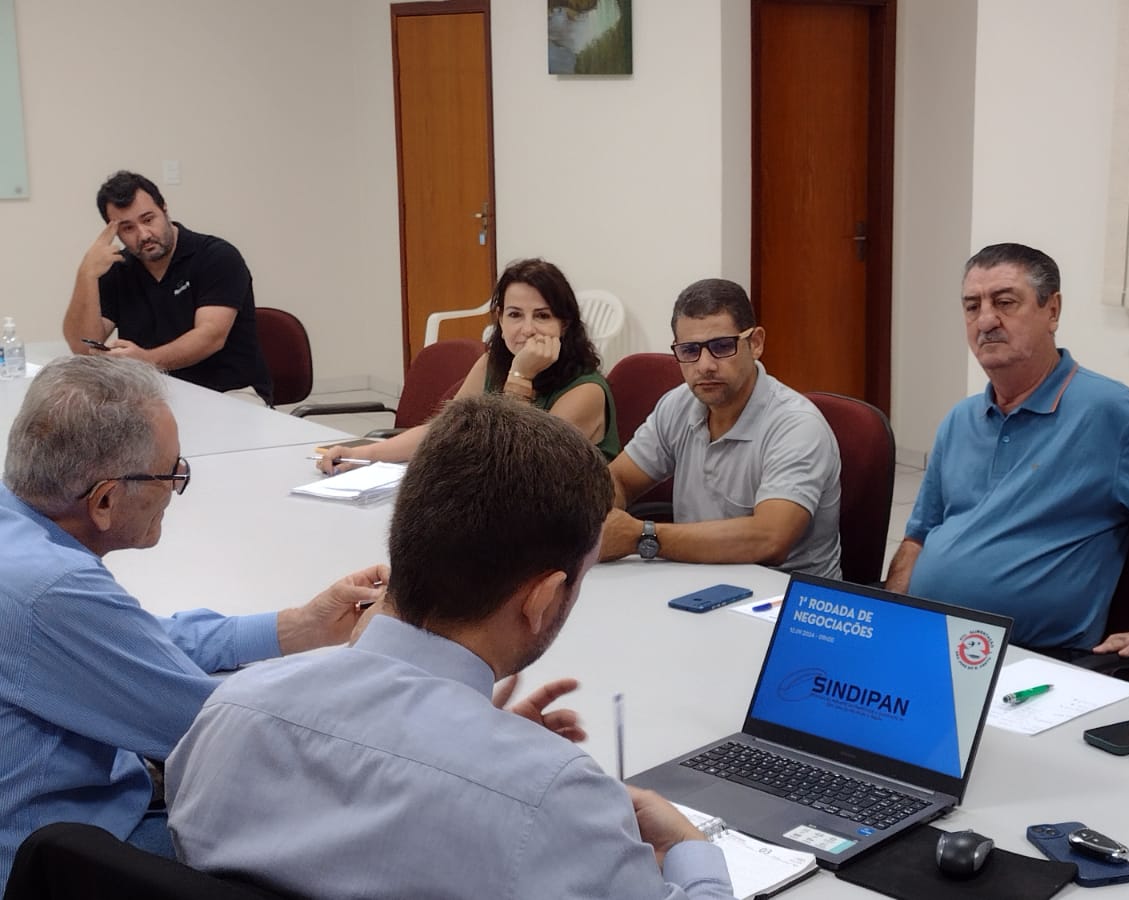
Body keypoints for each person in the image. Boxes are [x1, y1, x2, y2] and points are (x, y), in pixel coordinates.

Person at [167, 394, 734, 899]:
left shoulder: (230, 714)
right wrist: (691, 849)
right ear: (542, 598)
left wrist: (478, 743)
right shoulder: (552, 804)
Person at [0, 356, 383, 884]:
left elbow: (136, 640)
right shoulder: (53, 591)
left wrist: (297, 627)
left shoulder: (20, 536)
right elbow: (222, 731)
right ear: (105, 500)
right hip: (47, 861)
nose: (177, 485)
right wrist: (374, 673)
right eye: (171, 472)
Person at [885, 243, 1129, 663]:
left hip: (1031, 662)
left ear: (1052, 311)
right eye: (972, 306)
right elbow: (918, 538)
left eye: (1005, 302)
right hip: (928, 643)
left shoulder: (1111, 414)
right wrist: (889, 622)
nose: (986, 320)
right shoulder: (960, 419)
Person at [599, 278, 842, 577]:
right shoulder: (679, 404)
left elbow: (770, 538)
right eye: (689, 350)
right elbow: (620, 479)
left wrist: (642, 536)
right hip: (698, 578)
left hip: (784, 593)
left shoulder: (797, 426)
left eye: (722, 346)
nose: (705, 365)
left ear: (755, 343)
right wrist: (601, 516)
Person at [317, 257, 620, 470]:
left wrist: (520, 375)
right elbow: (445, 431)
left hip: (559, 522)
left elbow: (517, 464)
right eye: (515, 315)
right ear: (500, 319)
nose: (527, 329)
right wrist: (364, 455)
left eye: (542, 316)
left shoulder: (586, 390)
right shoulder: (491, 363)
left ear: (564, 325)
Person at [63, 170, 273, 403]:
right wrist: (86, 275)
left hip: (231, 392)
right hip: (153, 394)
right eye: (128, 228)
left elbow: (211, 336)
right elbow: (84, 347)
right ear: (113, 232)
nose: (144, 235)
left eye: (148, 219)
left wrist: (146, 360)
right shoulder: (119, 269)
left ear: (164, 209)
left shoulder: (216, 257)